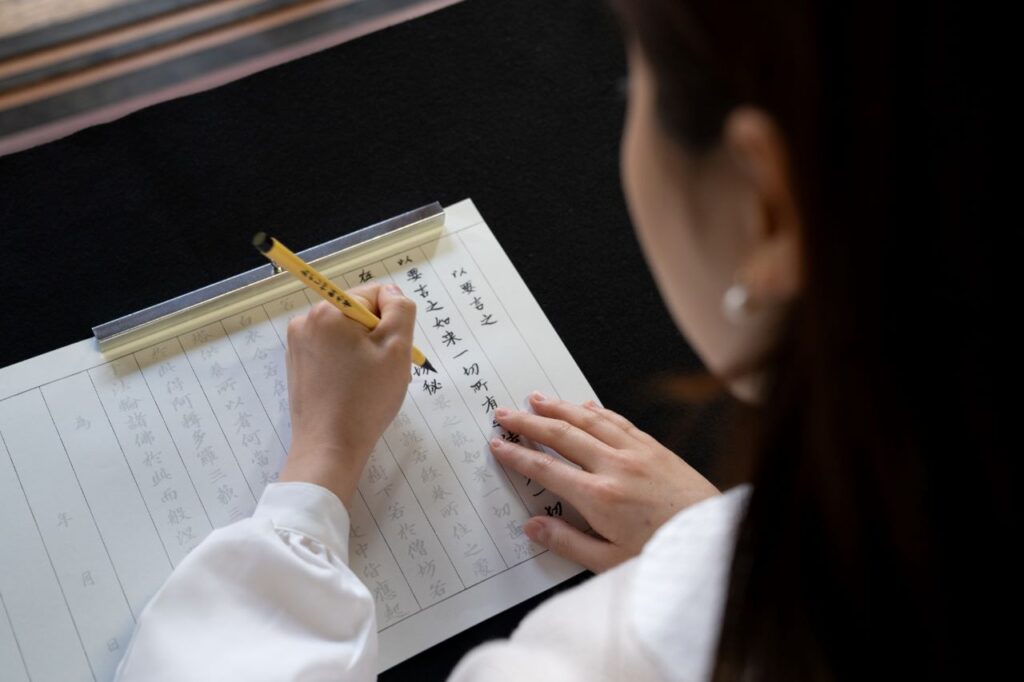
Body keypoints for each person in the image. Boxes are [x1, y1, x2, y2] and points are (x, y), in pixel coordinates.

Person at [114, 1, 1003, 680]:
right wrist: (709, 534)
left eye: (632, 83)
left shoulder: (619, 653)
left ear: (764, 203)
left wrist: (318, 468)